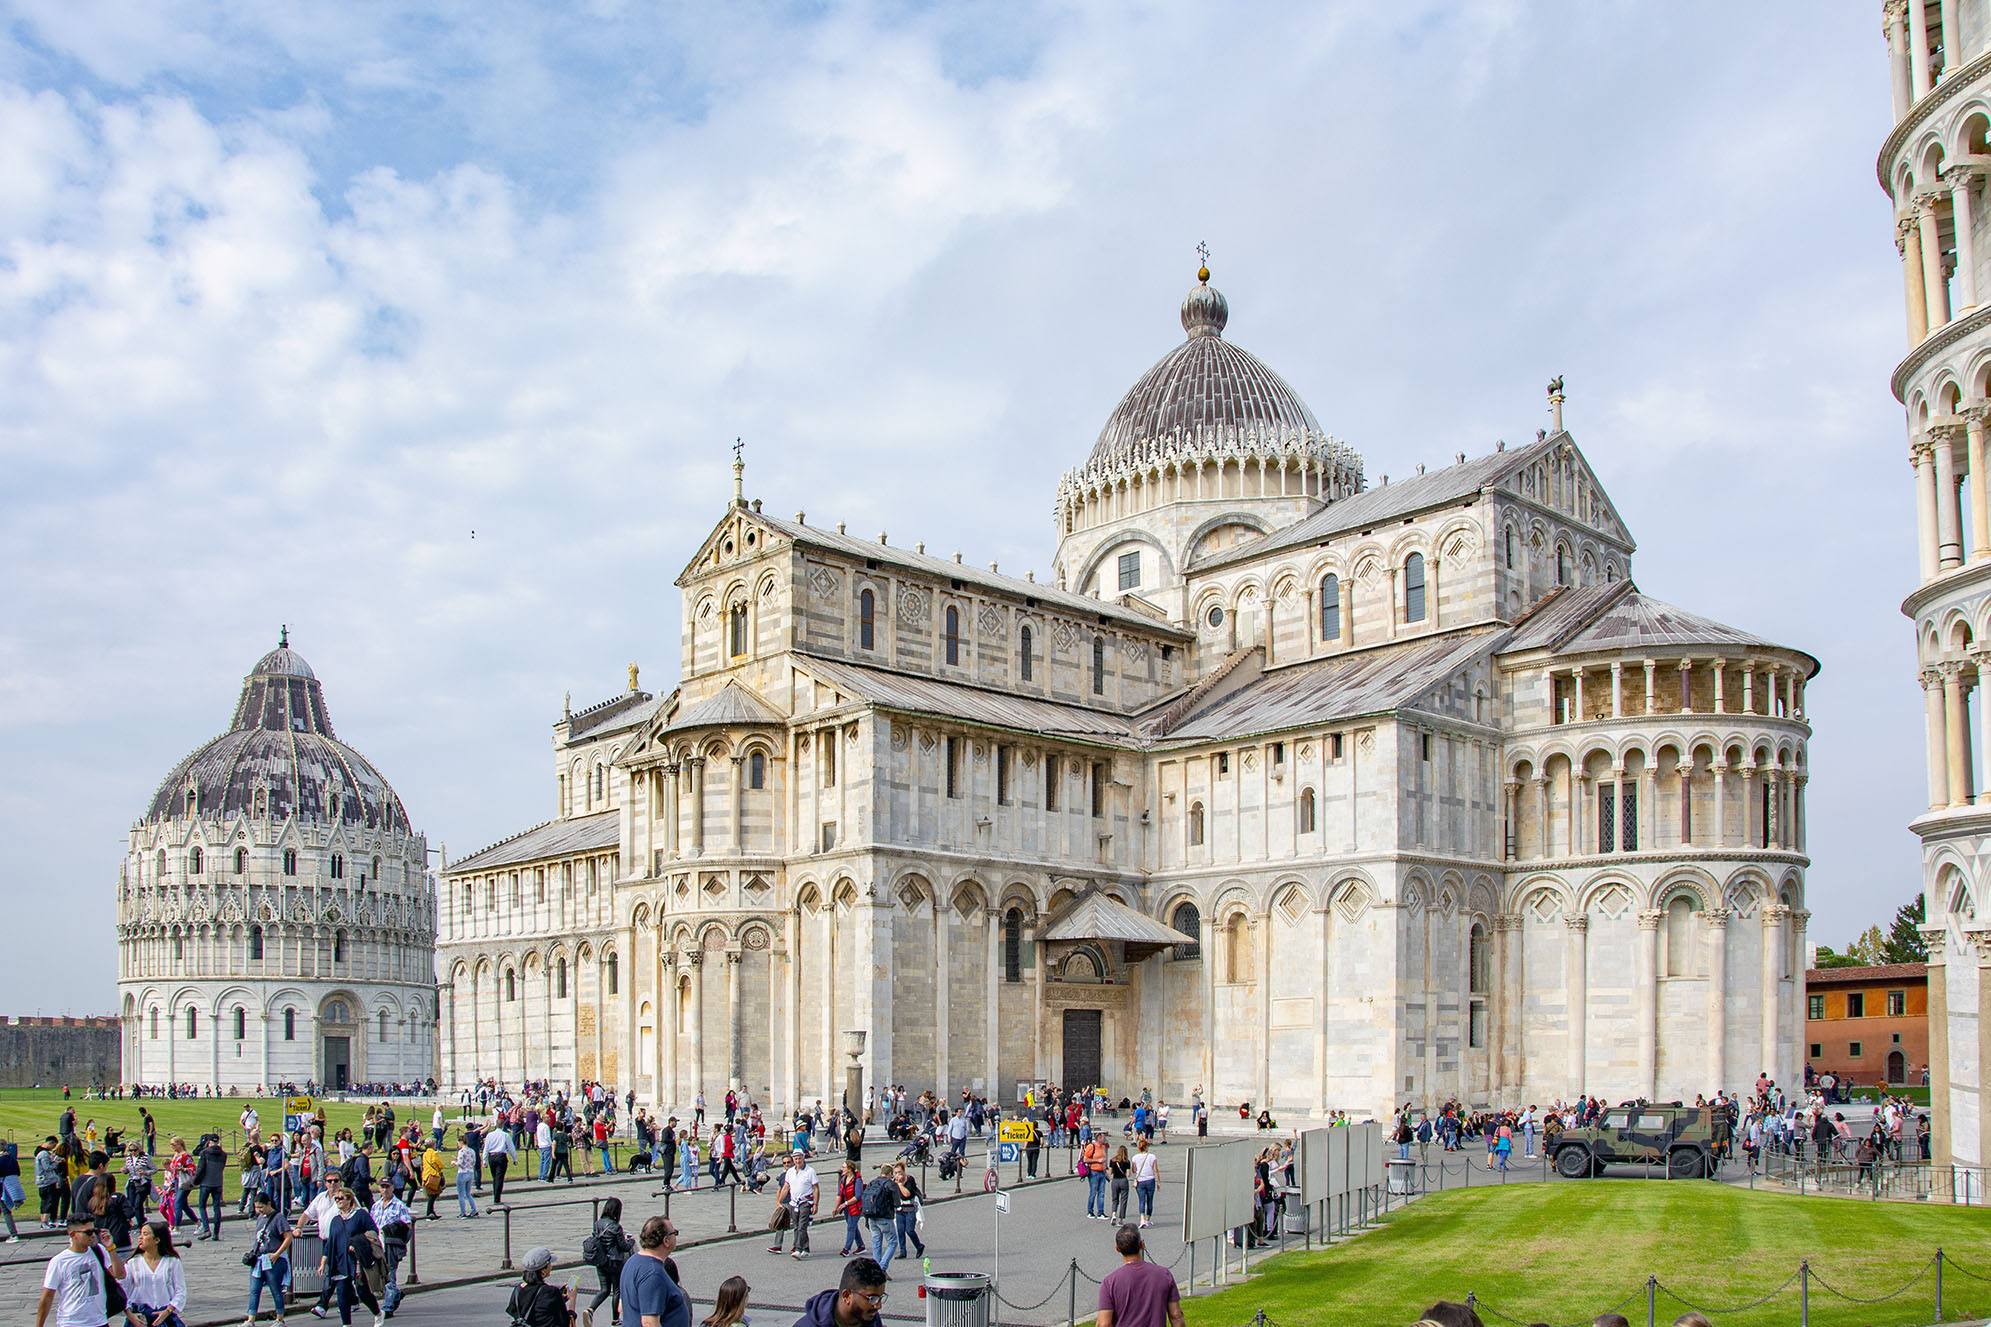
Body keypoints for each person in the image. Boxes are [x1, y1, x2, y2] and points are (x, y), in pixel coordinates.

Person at [37, 1212, 125, 1327]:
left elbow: (119, 1274)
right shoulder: (59, 1261)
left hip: (99, 1321)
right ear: (73, 1234)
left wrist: (110, 1248)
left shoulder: (99, 1251)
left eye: (94, 1231)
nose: (93, 1235)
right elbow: (47, 1296)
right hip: (71, 1322)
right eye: (88, 1233)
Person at [318, 1184, 382, 1327]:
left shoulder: (360, 1215)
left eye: (341, 1198)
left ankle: (377, 1313)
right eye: (336, 1199)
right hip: (341, 1261)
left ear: (350, 1199)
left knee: (362, 1291)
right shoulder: (335, 1220)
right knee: (342, 1293)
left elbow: (373, 1232)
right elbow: (331, 1242)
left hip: (357, 1260)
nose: (338, 1201)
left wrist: (358, 1243)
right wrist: (323, 1261)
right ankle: (346, 1324)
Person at [1094, 1225, 1182, 1327]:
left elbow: (1104, 1323)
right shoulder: (1164, 1275)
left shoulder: (1110, 1282)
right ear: (1141, 1245)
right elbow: (1176, 1315)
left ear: (1117, 1248)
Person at [619, 1215, 688, 1327]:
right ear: (666, 1241)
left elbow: (621, 1307)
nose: (676, 1236)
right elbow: (649, 1323)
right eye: (674, 1233)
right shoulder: (653, 1272)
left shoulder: (632, 1261)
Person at [121, 1219, 187, 1327]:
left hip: (164, 1315)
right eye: (141, 1233)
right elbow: (123, 1291)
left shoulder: (172, 1262)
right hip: (139, 1318)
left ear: (157, 1240)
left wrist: (168, 1310)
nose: (140, 1237)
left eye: (145, 1234)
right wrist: (129, 1314)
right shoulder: (132, 1263)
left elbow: (180, 1291)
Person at [792, 1256, 889, 1327]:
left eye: (880, 1298)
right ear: (846, 1296)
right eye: (872, 1298)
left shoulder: (872, 1321)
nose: (878, 1306)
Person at [243, 1190, 293, 1326]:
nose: (259, 1210)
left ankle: (280, 1318)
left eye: (261, 1207)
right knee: (254, 1290)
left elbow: (288, 1238)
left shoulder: (278, 1218)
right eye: (257, 1207)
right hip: (259, 1258)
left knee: (275, 1289)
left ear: (268, 1204)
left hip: (272, 1259)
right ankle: (250, 1319)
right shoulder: (260, 1218)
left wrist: (277, 1254)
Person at [584, 1196, 635, 1327]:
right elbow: (623, 1246)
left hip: (601, 1260)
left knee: (604, 1289)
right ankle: (615, 1319)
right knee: (617, 1290)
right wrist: (631, 1241)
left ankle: (590, 1309)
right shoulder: (616, 1227)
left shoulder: (598, 1223)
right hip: (615, 1261)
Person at [370, 1187, 414, 1318]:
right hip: (378, 1245)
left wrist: (393, 1230)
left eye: (387, 1187)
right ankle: (396, 1294)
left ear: (392, 1188)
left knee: (390, 1274)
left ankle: (388, 1307)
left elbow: (407, 1227)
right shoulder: (376, 1206)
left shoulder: (399, 1206)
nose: (385, 1190)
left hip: (391, 1245)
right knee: (381, 1276)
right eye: (382, 1187)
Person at [509, 1247, 578, 1327]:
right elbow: (566, 1322)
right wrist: (572, 1300)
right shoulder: (550, 1292)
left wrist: (560, 1299)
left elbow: (534, 1306)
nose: (551, 1267)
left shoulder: (518, 1290)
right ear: (543, 1271)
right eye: (549, 1264)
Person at [768, 1150, 818, 1259]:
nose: (798, 1161)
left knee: (801, 1226)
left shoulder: (810, 1171)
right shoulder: (790, 1172)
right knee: (798, 1226)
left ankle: (798, 1249)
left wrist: (815, 1204)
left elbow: (816, 1188)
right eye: (795, 1159)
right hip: (793, 1202)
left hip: (805, 1201)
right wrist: (779, 1201)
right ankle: (806, 1247)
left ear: (803, 1158)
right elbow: (786, 1187)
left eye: (799, 1158)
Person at [860, 1164, 901, 1272]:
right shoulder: (890, 1184)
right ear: (890, 1174)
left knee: (876, 1242)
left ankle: (875, 1268)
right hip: (884, 1217)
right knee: (892, 1242)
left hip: (871, 1217)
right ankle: (882, 1267)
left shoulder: (872, 1182)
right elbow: (897, 1203)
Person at [196, 1135, 229, 1241]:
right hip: (218, 1182)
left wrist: (195, 1181)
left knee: (202, 1206)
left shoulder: (204, 1153)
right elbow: (222, 1167)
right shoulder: (223, 1154)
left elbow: (200, 1168)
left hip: (206, 1182)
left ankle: (206, 1229)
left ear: (209, 1142)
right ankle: (216, 1233)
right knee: (216, 1207)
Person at [891, 1162, 924, 1266]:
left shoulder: (910, 1180)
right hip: (900, 1209)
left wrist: (900, 1184)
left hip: (910, 1209)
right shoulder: (894, 1182)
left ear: (904, 1172)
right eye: (895, 1173)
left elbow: (906, 1194)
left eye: (899, 1172)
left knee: (909, 1230)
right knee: (900, 1231)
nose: (897, 1175)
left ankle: (919, 1246)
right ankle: (902, 1251)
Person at [484, 1122, 517, 1208]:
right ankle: (497, 1198)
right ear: (502, 1126)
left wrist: (484, 1160)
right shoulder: (505, 1135)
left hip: (492, 1156)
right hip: (501, 1156)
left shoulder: (490, 1135)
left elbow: (486, 1148)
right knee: (499, 1177)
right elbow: (511, 1147)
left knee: (495, 1177)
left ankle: (496, 1194)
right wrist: (514, 1158)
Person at [834, 1162, 863, 1257]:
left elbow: (858, 1196)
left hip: (855, 1207)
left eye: (844, 1167)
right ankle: (861, 1246)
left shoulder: (857, 1180)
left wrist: (845, 1204)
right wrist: (836, 1207)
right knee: (853, 1227)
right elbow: (840, 1194)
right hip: (847, 1208)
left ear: (850, 1169)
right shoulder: (843, 1179)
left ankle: (846, 1249)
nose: (842, 1169)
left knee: (851, 1227)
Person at [1130, 1138, 1159, 1228]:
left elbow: (1134, 1170)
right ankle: (1147, 1219)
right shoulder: (1152, 1157)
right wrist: (1158, 1181)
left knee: (1141, 1200)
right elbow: (1155, 1170)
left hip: (1140, 1180)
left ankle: (1142, 1219)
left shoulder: (1135, 1157)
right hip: (1150, 1180)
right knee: (1150, 1200)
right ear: (1146, 1147)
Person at [1081, 1133, 1109, 1220]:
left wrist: (1105, 1173)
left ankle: (1100, 1212)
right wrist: (1097, 1160)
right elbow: (1085, 1159)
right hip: (1094, 1172)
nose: (1105, 1140)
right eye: (1103, 1138)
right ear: (1099, 1139)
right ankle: (1090, 1211)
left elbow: (1104, 1161)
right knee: (1093, 1192)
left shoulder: (1103, 1147)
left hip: (1101, 1172)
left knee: (1102, 1193)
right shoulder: (1091, 1147)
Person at [1108, 1146, 1132, 1225]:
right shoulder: (1127, 1161)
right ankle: (1121, 1219)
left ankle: (1114, 1213)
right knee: (1123, 1200)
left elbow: (1110, 1172)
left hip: (1115, 1180)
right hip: (1123, 1180)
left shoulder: (1112, 1160)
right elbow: (1128, 1174)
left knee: (1115, 1199)